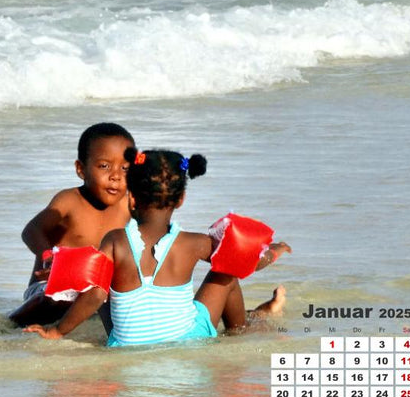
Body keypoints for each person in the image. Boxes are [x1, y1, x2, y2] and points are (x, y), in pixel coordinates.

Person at [25, 146, 291, 345]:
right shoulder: (193, 243)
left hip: (127, 344)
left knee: (101, 281)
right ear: (181, 199)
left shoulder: (115, 241)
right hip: (188, 338)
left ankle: (249, 320)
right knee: (226, 274)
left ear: (131, 198)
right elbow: (244, 262)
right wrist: (274, 251)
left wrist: (57, 331)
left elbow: (94, 295)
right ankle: (239, 330)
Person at [8, 122, 135, 329]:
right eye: (104, 166)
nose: (116, 175)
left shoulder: (127, 205)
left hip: (95, 290)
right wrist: (50, 261)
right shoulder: (69, 201)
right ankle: (5, 324)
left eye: (125, 168)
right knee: (60, 298)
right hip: (52, 286)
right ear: (81, 169)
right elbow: (32, 230)